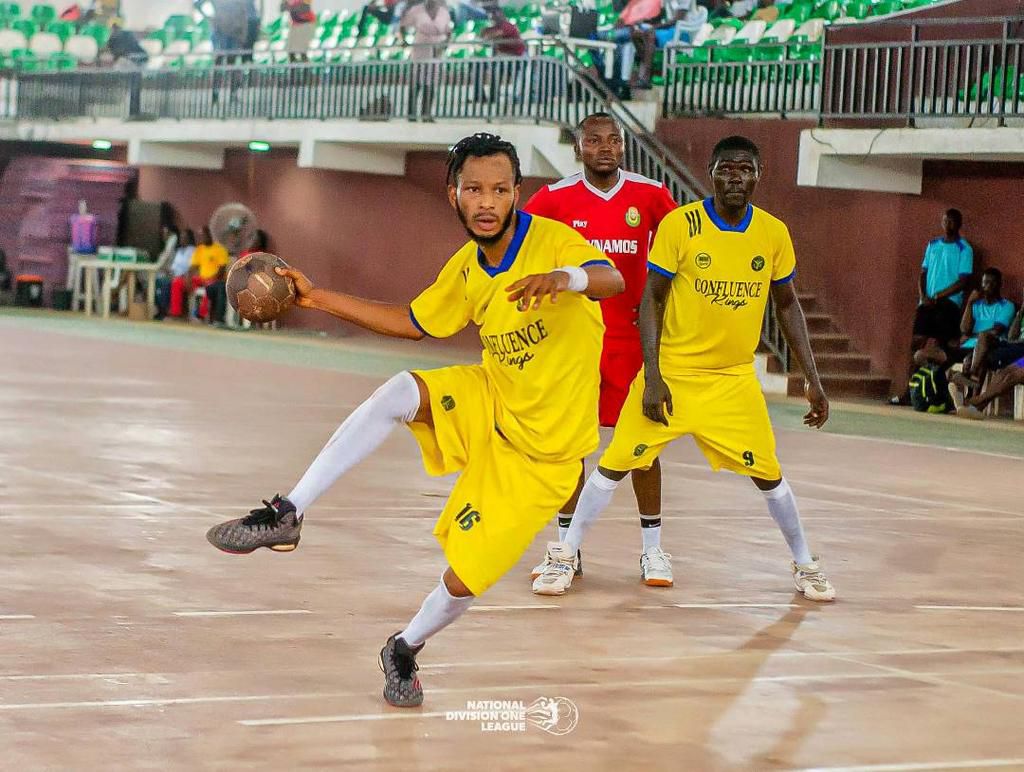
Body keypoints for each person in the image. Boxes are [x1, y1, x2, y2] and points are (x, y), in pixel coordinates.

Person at [205, 133, 625, 708]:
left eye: (500, 190)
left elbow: (611, 278)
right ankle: (287, 512)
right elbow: (411, 321)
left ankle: (403, 648)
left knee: (462, 582)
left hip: (543, 457)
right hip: (492, 397)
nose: (486, 201)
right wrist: (314, 298)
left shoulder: (555, 243)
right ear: (452, 193)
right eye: (473, 189)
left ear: (516, 194)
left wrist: (564, 279)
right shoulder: (467, 268)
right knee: (400, 390)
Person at [529, 135, 837, 602]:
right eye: (726, 169)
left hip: (734, 381)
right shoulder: (681, 225)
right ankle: (564, 556)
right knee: (612, 467)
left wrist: (814, 381)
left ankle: (806, 564)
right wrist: (653, 375)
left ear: (758, 176)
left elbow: (788, 305)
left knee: (770, 477)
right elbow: (651, 299)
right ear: (711, 173)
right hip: (673, 372)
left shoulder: (773, 233)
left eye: (745, 169)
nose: (735, 177)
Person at [524, 113, 678, 591]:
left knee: (643, 448)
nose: (606, 148)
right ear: (579, 148)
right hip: (575, 345)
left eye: (614, 140)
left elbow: (680, 254)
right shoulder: (552, 199)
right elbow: (520, 248)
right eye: (594, 141)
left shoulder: (651, 195)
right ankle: (566, 551)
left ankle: (653, 550)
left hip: (634, 343)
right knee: (571, 449)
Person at [402, 0, 452, 121]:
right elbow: (403, 25)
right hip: (420, 51)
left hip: (436, 52)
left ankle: (426, 113)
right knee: (416, 83)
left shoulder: (444, 13)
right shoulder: (416, 10)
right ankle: (411, 113)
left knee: (431, 84)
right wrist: (404, 40)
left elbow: (448, 31)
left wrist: (445, 44)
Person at [169, 226, 228, 320]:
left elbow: (222, 270)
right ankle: (176, 313)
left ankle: (201, 314)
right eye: (200, 236)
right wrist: (188, 278)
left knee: (209, 287)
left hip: (214, 279)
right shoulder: (200, 249)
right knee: (177, 282)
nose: (201, 238)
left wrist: (212, 279)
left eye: (203, 236)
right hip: (200, 278)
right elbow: (193, 267)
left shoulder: (219, 249)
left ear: (209, 235)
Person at [156, 228, 195, 320]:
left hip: (184, 277)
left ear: (189, 239)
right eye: (181, 237)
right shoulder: (179, 251)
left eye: (184, 237)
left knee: (167, 284)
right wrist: (168, 271)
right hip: (173, 275)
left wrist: (178, 275)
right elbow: (173, 267)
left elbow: (191, 268)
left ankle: (166, 311)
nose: (181, 239)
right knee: (157, 281)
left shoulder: (192, 251)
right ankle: (160, 309)